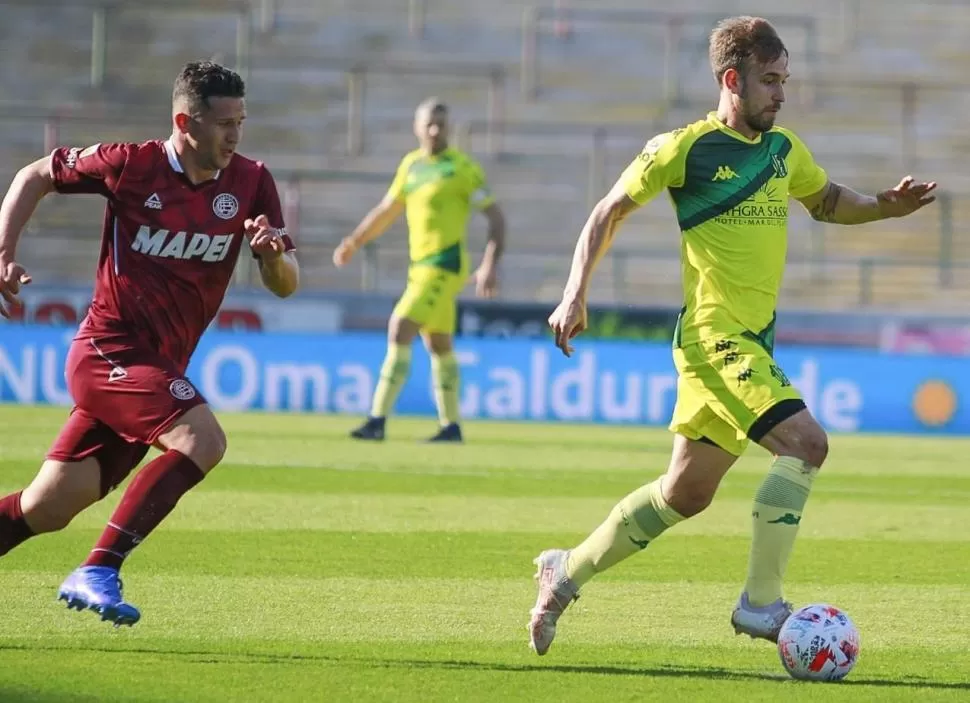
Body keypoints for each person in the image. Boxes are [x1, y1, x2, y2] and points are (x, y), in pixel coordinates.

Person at [529, 16, 937, 656]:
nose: (780, 94)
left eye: (785, 81)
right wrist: (574, 291)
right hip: (715, 338)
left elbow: (829, 200)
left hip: (752, 341)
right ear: (731, 79)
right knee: (806, 444)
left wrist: (886, 205)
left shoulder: (784, 152)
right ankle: (761, 604)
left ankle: (565, 573)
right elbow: (608, 208)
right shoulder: (683, 149)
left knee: (684, 495)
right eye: (769, 81)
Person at [0, 61, 299, 626]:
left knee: (46, 506)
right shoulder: (131, 165)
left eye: (241, 121)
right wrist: (3, 252)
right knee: (202, 439)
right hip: (107, 351)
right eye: (223, 123)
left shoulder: (252, 180)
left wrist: (270, 256)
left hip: (155, 369)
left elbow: (286, 286)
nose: (235, 135)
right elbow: (35, 174)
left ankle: (87, 563)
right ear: (185, 121)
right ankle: (99, 569)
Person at [333, 97, 506, 443]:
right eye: (428, 123)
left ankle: (376, 420)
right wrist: (355, 240)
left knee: (400, 326)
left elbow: (497, 219)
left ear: (449, 128)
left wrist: (489, 265)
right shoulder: (411, 166)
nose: (434, 130)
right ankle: (451, 426)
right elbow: (387, 209)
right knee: (438, 343)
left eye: (441, 124)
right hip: (420, 267)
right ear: (416, 127)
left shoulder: (462, 169)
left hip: (445, 264)